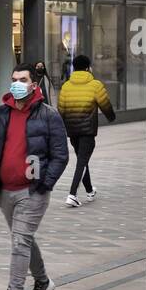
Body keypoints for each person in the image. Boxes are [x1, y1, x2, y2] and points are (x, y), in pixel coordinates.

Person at [0, 63, 68, 290]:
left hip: (32, 190)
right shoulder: (0, 114)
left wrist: (45, 183)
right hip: (4, 191)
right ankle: (42, 281)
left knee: (19, 241)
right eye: (14, 79)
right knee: (24, 239)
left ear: (33, 84)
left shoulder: (48, 115)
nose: (16, 84)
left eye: (22, 79)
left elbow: (60, 155)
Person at [57, 55, 116, 208]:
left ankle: (89, 191)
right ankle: (72, 194)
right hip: (87, 130)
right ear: (88, 67)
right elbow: (105, 105)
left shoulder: (66, 86)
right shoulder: (95, 85)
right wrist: (111, 117)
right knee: (82, 162)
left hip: (72, 130)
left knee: (83, 159)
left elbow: (61, 110)